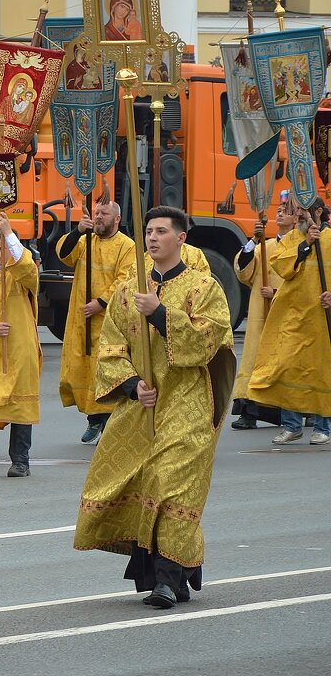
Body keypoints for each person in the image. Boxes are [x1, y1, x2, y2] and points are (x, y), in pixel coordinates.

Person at [74, 206, 235, 609]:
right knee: (136, 480)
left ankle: (166, 581)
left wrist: (160, 313)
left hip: (188, 403)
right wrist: (132, 385)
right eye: (148, 231)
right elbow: (110, 346)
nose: (152, 238)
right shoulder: (128, 290)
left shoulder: (204, 287)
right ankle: (176, 574)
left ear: (181, 238)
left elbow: (209, 341)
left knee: (169, 483)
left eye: (162, 231)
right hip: (143, 406)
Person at [248, 197, 331, 445]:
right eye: (297, 213)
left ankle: (323, 426)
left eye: (302, 212)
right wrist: (306, 243)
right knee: (286, 367)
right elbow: (283, 268)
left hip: (321, 317)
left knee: (320, 371)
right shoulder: (294, 238)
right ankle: (292, 425)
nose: (298, 217)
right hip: (292, 316)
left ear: (317, 212)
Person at [57, 199, 136, 444]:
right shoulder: (85, 241)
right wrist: (77, 230)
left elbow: (126, 279)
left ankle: (108, 424)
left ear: (117, 219)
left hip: (109, 320)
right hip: (83, 319)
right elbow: (63, 254)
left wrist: (101, 302)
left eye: (104, 213)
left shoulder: (127, 246)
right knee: (85, 370)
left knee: (107, 370)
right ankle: (93, 420)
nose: (99, 216)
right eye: (97, 212)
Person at [0, 214, 41, 478]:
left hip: (20, 347)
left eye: (3, 249)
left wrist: (9, 233)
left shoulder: (22, 274)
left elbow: (27, 269)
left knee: (21, 408)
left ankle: (21, 459)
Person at [231, 200, 292, 429]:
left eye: (286, 211)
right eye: (279, 210)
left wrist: (276, 292)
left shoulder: (300, 247)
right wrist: (254, 240)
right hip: (260, 315)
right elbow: (244, 271)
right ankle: (249, 412)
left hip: (286, 314)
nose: (280, 213)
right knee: (255, 359)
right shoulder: (263, 247)